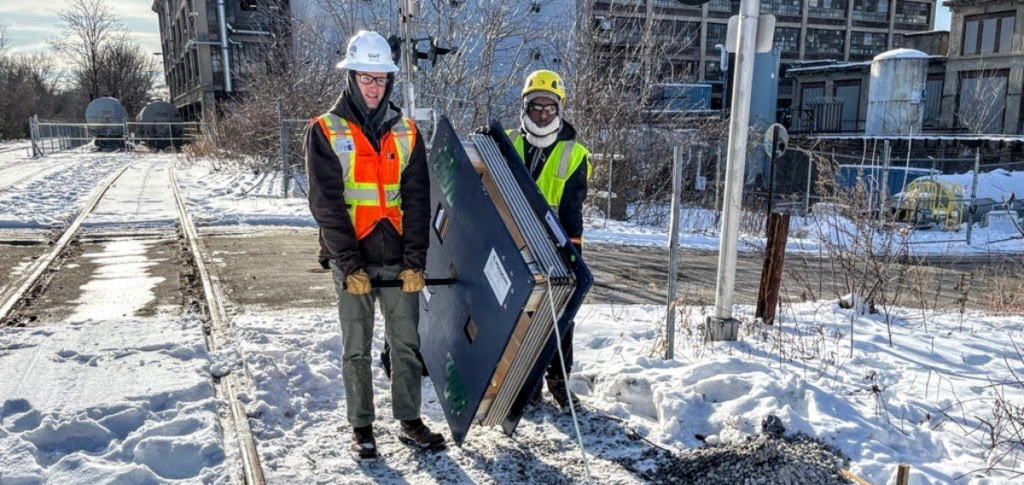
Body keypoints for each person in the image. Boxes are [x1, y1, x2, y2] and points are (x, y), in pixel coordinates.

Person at [305, 30, 444, 462]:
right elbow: (326, 205)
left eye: (380, 79)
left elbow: (419, 201)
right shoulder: (325, 130)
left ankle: (409, 419)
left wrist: (415, 261)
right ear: (350, 77)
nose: (373, 87)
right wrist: (348, 265)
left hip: (399, 257)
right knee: (357, 348)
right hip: (354, 259)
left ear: (389, 81)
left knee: (406, 345)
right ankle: (361, 427)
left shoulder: (407, 132)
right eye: (365, 78)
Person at [507, 69, 591, 410]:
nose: (543, 114)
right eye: (536, 106)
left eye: (550, 108)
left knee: (560, 318)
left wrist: (573, 258)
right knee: (519, 316)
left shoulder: (575, 154)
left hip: (556, 248)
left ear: (560, 109)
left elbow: (572, 213)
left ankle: (557, 380)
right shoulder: (508, 141)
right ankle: (522, 383)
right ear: (525, 107)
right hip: (513, 243)